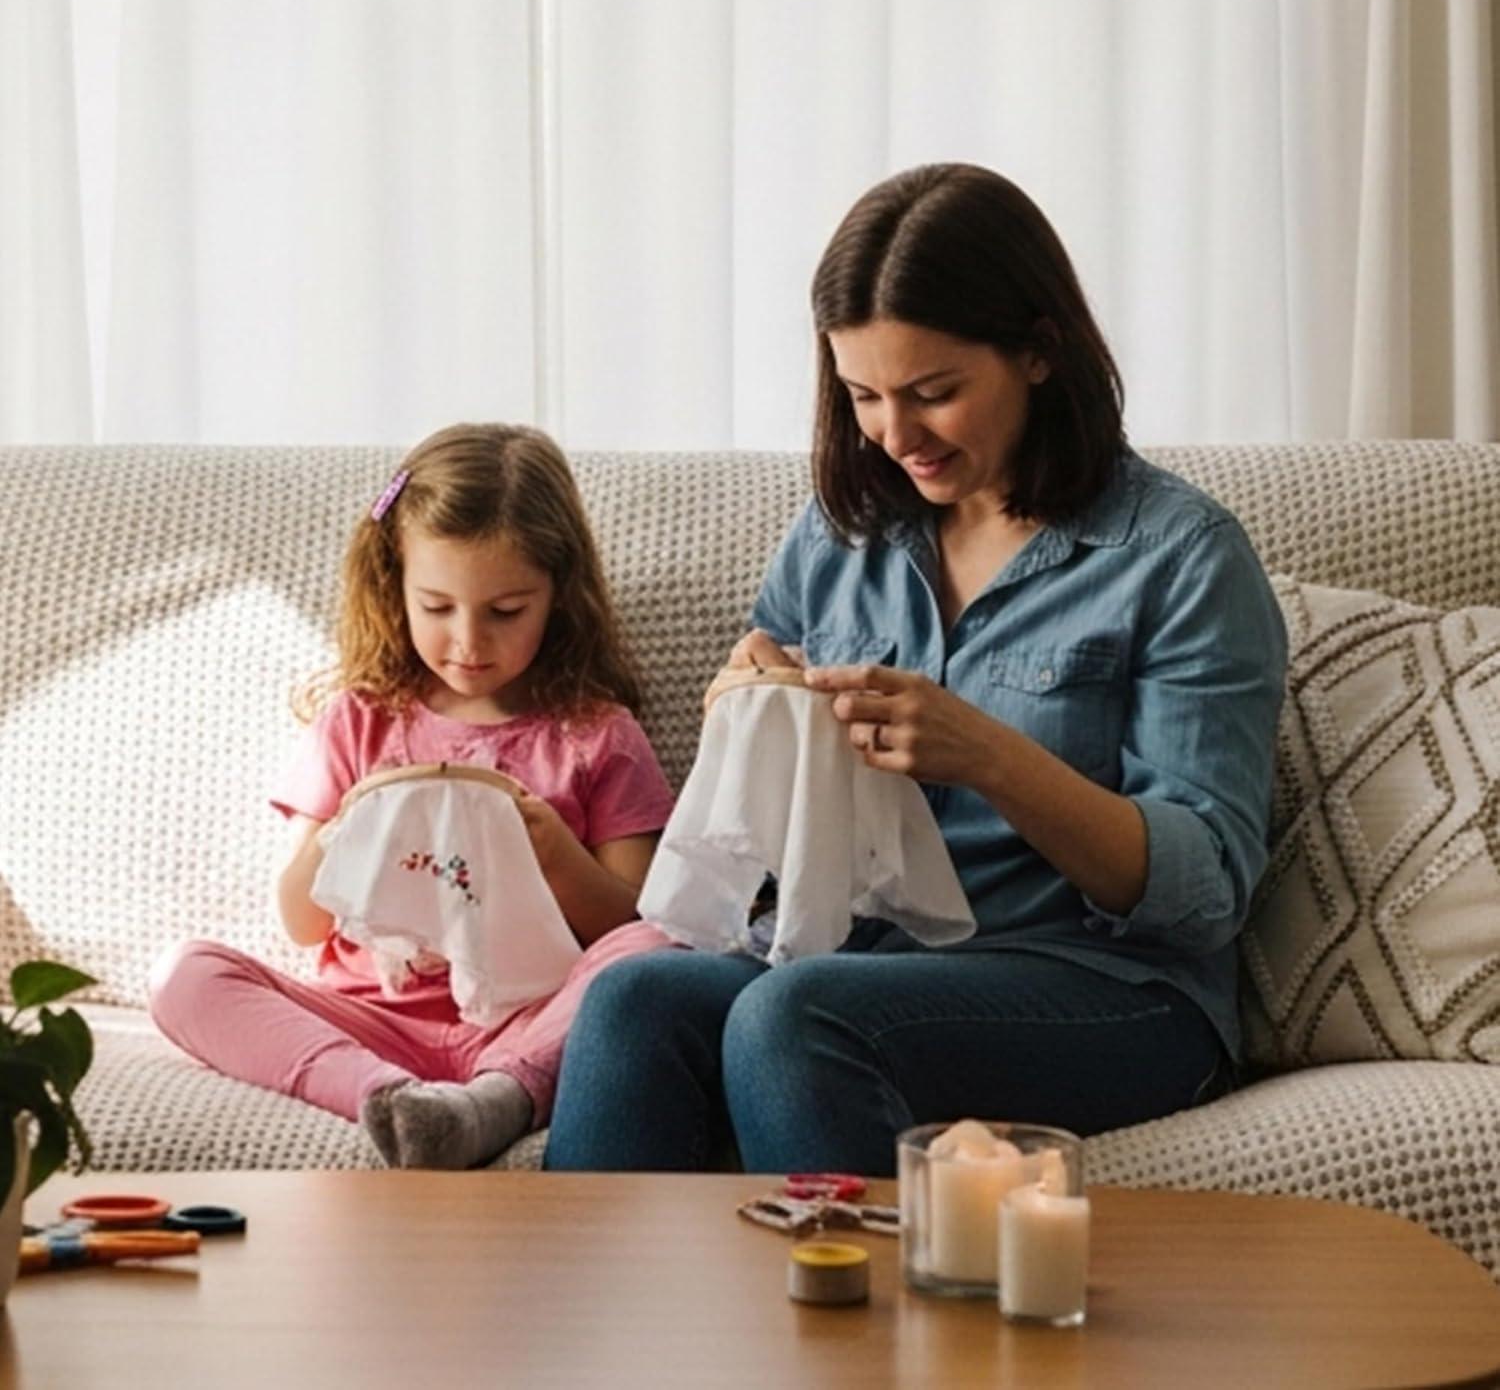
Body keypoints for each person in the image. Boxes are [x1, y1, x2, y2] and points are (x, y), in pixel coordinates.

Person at [545, 162, 1288, 1176]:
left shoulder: (1182, 556)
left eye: (934, 394)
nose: (896, 436)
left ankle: (885, 1339)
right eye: (863, 396)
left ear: (1038, 350)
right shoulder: (841, 537)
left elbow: (1206, 891)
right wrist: (748, 712)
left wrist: (987, 755)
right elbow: (765, 836)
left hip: (1110, 988)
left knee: (790, 1015)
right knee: (635, 999)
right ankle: (590, 1339)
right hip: (869, 967)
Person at [151, 423, 675, 1169]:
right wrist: (347, 827)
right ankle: (391, 1100)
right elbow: (301, 922)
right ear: (394, 584)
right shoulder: (362, 720)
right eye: (437, 606)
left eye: (505, 611)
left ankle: (495, 1100)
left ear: (559, 596)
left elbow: (633, 920)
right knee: (185, 975)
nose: (469, 641)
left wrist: (554, 853)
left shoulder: (594, 734)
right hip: (370, 1022)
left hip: (524, 1023)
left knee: (658, 952)